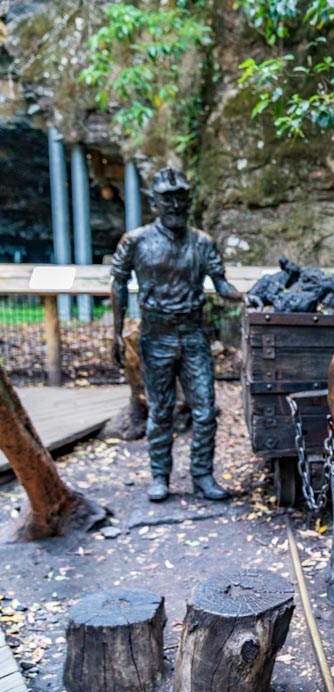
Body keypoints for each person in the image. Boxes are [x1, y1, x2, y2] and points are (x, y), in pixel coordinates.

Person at [111, 167, 242, 502]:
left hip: (194, 335)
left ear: (188, 200)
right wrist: (115, 332)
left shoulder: (202, 242)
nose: (175, 205)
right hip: (156, 336)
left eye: (180, 198)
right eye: (167, 199)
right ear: (154, 202)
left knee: (205, 410)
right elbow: (118, 284)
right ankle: (160, 476)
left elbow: (221, 283)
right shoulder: (136, 241)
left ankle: (202, 475)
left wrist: (248, 297)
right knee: (160, 409)